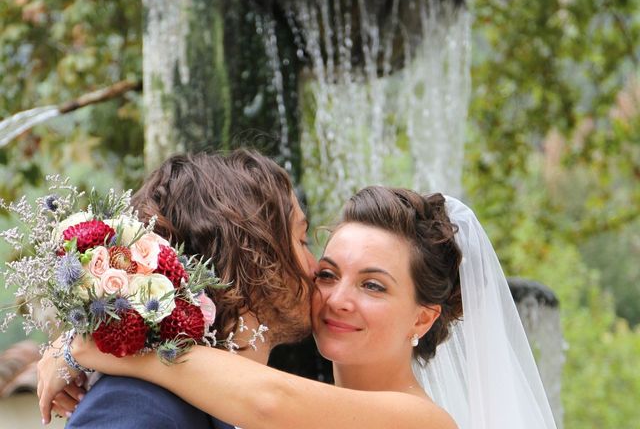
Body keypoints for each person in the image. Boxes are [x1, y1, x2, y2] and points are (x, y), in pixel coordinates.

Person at [40, 186, 558, 429]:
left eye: (374, 286)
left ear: (423, 317)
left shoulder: (421, 421)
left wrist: (98, 342)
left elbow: (268, 402)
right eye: (328, 273)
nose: (336, 297)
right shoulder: (297, 394)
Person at [37, 150, 317, 428]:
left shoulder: (214, 409)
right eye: (302, 241)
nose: (316, 267)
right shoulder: (132, 410)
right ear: (255, 256)